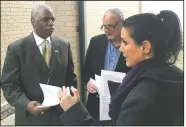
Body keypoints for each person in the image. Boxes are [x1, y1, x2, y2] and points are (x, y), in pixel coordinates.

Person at [58, 10, 183, 126]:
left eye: (125, 42)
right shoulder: (177, 76)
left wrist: (74, 112)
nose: (121, 48)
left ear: (145, 47)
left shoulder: (142, 95)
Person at [1, 4, 77, 125]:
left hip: (60, 118)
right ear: (33, 21)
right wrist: (26, 104)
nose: (51, 23)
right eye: (46, 19)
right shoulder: (17, 49)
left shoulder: (64, 45)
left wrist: (70, 101)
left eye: (53, 19)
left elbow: (70, 79)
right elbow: (8, 84)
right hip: (30, 119)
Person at [82, 8, 130, 124]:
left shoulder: (130, 45)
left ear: (122, 22)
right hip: (95, 107)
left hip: (121, 107)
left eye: (110, 26)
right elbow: (85, 72)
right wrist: (88, 82)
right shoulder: (95, 42)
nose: (107, 30)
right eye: (104, 26)